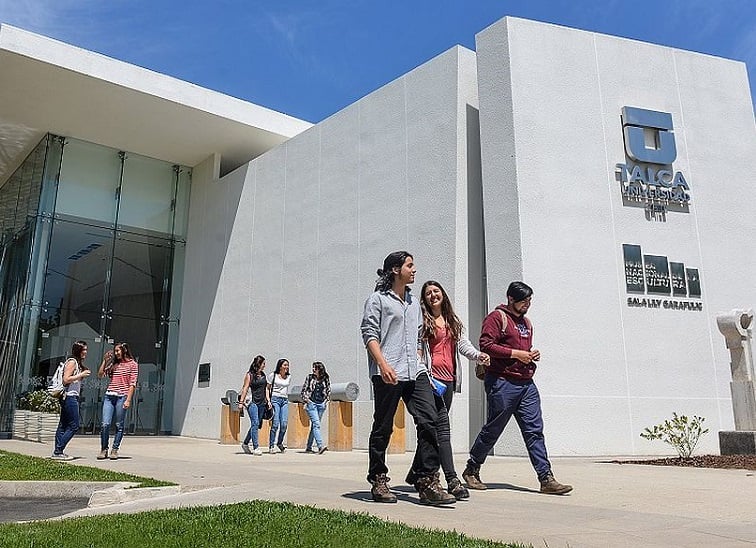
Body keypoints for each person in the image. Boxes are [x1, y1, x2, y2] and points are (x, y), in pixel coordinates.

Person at [360, 251, 455, 506]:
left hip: (416, 372)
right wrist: (382, 364)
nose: (414, 270)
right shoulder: (377, 300)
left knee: (430, 421)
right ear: (395, 270)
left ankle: (426, 481)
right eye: (409, 265)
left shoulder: (414, 303)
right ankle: (378, 478)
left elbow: (417, 338)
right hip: (388, 373)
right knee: (383, 427)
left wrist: (423, 365)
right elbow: (369, 333)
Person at [462, 281, 573, 495]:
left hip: (526, 383)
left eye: (529, 301)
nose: (527, 305)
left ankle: (546, 478)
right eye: (523, 301)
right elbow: (486, 345)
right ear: (511, 299)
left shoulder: (527, 323)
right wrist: (515, 354)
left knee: (534, 431)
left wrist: (531, 354)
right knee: (494, 429)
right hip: (502, 382)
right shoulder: (497, 318)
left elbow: (523, 349)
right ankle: (472, 468)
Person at [405, 280, 490, 499]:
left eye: (436, 291)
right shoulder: (422, 320)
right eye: (428, 293)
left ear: (443, 294)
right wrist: (424, 374)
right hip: (430, 382)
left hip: (449, 381)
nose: (433, 295)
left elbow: (463, 344)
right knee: (440, 430)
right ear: (424, 299)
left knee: (432, 430)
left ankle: (416, 473)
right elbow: (418, 351)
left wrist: (477, 356)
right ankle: (451, 479)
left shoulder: (451, 320)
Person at [97, 342, 138, 460]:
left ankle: (115, 449)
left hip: (122, 396)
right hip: (109, 396)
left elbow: (132, 383)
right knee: (105, 424)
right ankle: (104, 449)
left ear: (124, 350)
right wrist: (105, 361)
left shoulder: (133, 365)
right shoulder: (115, 365)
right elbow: (100, 375)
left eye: (117, 351)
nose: (116, 353)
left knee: (119, 424)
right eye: (115, 351)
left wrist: (128, 400)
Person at [51, 340, 92, 460]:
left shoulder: (77, 363)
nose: (85, 352)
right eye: (83, 350)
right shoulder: (72, 362)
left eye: (86, 350)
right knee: (74, 425)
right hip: (69, 396)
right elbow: (66, 379)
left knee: (63, 425)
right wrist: (81, 374)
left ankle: (58, 452)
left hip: (70, 396)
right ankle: (58, 450)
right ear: (78, 350)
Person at [238, 355, 271, 456]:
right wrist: (241, 402)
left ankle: (245, 443)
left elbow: (266, 388)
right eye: (263, 363)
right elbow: (245, 388)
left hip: (262, 402)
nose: (264, 366)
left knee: (256, 424)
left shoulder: (263, 375)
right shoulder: (249, 375)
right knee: (255, 422)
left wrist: (268, 401)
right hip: (251, 402)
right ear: (258, 364)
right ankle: (256, 447)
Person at [300, 361, 330, 454]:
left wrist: (325, 401)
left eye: (315, 368)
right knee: (316, 424)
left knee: (314, 426)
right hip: (311, 404)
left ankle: (308, 447)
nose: (313, 370)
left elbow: (328, 390)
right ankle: (320, 446)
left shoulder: (325, 378)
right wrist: (307, 400)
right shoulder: (309, 377)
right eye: (313, 368)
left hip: (321, 404)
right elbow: (304, 390)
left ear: (320, 369)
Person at [267, 358, 291, 454]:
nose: (286, 367)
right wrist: (268, 400)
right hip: (275, 399)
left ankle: (279, 442)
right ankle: (271, 445)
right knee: (275, 424)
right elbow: (267, 388)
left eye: (287, 365)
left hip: (284, 400)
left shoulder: (289, 377)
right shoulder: (273, 375)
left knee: (284, 424)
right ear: (280, 366)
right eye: (285, 365)